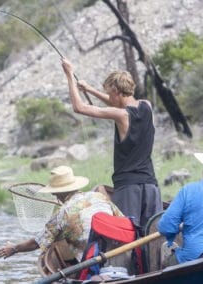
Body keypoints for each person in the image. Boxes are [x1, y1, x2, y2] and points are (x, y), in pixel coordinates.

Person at [61, 58, 162, 229]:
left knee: (126, 235)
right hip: (151, 186)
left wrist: (69, 74)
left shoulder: (122, 115)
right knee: (152, 234)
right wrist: (91, 90)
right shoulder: (147, 106)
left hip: (129, 188)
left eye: (109, 92)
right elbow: (118, 102)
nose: (108, 96)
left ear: (115, 90)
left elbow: (79, 107)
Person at [0, 165, 123, 261]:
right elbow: (122, 219)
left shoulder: (62, 214)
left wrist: (14, 248)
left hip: (94, 261)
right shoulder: (99, 196)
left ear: (55, 193)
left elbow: (37, 243)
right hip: (120, 252)